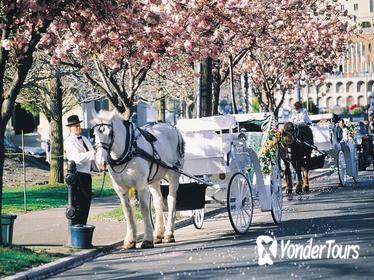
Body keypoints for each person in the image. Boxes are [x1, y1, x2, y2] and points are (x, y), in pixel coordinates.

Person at [64, 115, 95, 225]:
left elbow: (92, 154)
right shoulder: (69, 141)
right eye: (75, 126)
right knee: (77, 204)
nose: (78, 127)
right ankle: (76, 228)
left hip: (86, 174)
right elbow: (76, 158)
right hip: (77, 176)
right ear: (70, 128)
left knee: (86, 203)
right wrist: (92, 154)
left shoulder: (85, 139)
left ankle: (83, 226)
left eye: (78, 125)